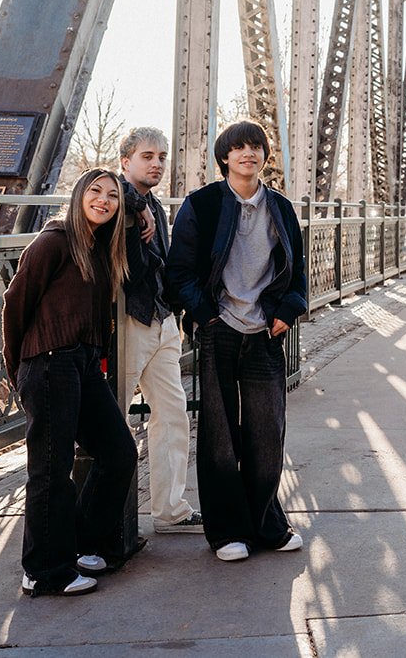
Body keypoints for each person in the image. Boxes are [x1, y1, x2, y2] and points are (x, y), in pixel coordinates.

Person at [164, 120, 307, 562]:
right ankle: (227, 532)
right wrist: (205, 316)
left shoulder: (281, 208)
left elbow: (297, 274)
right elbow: (178, 273)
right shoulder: (202, 205)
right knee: (220, 435)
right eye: (239, 148)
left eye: (256, 147)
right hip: (219, 329)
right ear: (224, 157)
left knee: (268, 431)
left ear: (265, 156)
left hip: (265, 331)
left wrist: (287, 312)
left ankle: (266, 524)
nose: (249, 153)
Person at [2, 167, 139, 596]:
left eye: (113, 196)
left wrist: (143, 213)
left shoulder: (101, 249)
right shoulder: (54, 242)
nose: (103, 200)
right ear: (79, 195)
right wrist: (18, 366)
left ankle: (80, 543)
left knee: (119, 453)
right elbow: (15, 305)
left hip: (82, 366)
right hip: (47, 364)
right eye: (95, 191)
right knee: (51, 468)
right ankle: (43, 571)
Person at [117, 126, 202, 536]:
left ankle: (170, 510)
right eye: (148, 156)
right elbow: (101, 188)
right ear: (126, 161)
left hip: (162, 321)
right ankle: (107, 520)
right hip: (128, 323)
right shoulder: (116, 198)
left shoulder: (157, 209)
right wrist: (136, 204)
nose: (157, 163)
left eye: (162, 156)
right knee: (113, 419)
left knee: (172, 415)